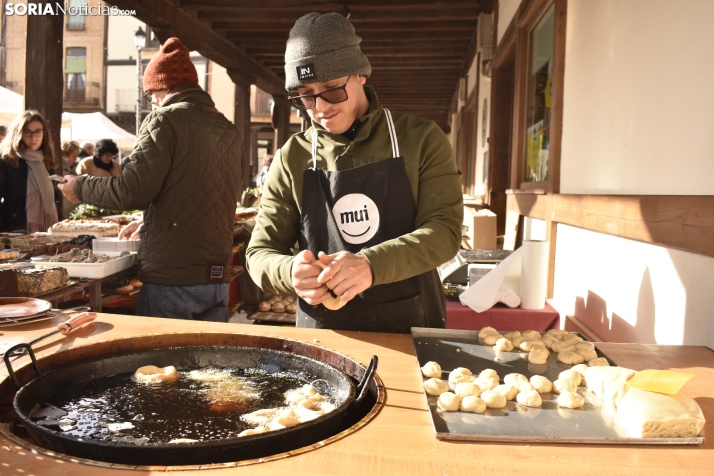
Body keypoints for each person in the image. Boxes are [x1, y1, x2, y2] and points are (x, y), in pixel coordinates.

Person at [245, 13, 463, 333]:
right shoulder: (292, 156)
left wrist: (372, 265)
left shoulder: (421, 139)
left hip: (410, 324)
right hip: (323, 332)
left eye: (332, 90)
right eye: (305, 95)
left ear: (360, 74)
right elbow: (259, 253)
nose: (320, 108)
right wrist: (288, 271)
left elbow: (445, 232)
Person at [59, 37, 243, 322]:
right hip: (216, 276)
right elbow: (201, 195)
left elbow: (132, 190)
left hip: (173, 277)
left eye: (150, 95)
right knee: (206, 365)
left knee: (160, 366)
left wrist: (80, 186)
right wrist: (150, 221)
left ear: (161, 87)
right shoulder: (226, 128)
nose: (152, 102)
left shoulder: (165, 119)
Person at [0, 110, 59, 232]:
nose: (33, 137)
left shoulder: (46, 161)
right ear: (18, 133)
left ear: (44, 134)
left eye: (38, 132)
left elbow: (56, 195)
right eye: (28, 132)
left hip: (47, 230)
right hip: (12, 230)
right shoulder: (7, 160)